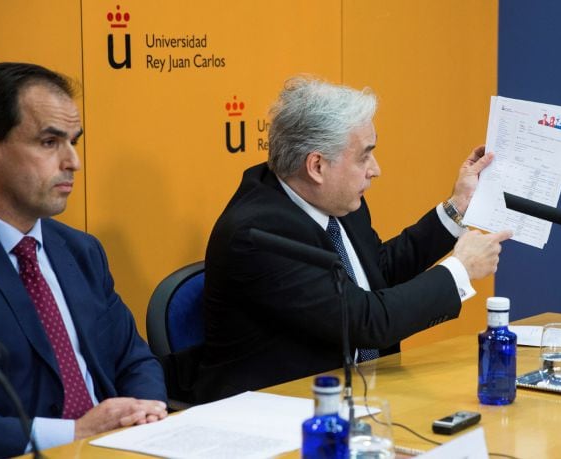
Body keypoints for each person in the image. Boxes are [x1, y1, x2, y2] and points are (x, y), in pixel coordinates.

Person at [195, 76, 512, 402]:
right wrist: (461, 270)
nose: (375, 169)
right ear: (316, 166)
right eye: (364, 156)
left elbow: (377, 275)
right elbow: (364, 320)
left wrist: (457, 208)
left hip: (360, 393)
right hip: (277, 412)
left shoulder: (336, 201)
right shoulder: (259, 234)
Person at [0, 62, 168, 458]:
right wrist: (72, 432)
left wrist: (144, 414)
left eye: (74, 141)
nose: (73, 162)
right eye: (50, 142)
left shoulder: (81, 250)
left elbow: (135, 359)